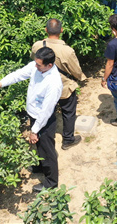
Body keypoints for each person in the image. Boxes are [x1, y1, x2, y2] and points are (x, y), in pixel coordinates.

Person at [0, 46, 62, 193]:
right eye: (36, 63)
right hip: (34, 115)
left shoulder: (53, 83)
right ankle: (41, 167)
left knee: (47, 150)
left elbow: (46, 111)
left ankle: (51, 183)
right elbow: (19, 74)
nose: (35, 66)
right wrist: (2, 83)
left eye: (39, 64)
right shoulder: (36, 67)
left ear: (49, 65)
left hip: (44, 121)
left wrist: (34, 130)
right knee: (39, 146)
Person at [31, 19, 86, 152]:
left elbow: (35, 62)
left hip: (44, 86)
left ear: (46, 30)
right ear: (61, 30)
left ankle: (44, 142)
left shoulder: (37, 45)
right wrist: (80, 78)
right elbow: (76, 70)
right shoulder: (67, 50)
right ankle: (68, 139)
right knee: (68, 111)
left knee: (46, 113)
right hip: (63, 87)